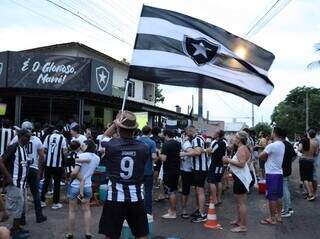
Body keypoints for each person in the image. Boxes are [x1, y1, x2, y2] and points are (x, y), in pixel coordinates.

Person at [99, 111, 149, 239]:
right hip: (135, 196)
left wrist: (114, 125)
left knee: (111, 234)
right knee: (141, 234)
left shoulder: (111, 145)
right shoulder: (143, 148)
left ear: (119, 129)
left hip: (115, 197)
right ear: (135, 130)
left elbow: (102, 139)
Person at [11, 121, 47, 223]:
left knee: (22, 193)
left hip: (22, 168)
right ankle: (39, 216)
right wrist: (39, 170)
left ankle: (22, 218)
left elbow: (10, 148)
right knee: (35, 193)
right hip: (33, 168)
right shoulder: (37, 140)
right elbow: (42, 156)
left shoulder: (17, 138)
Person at [65, 140, 100, 239]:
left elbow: (75, 172)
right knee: (87, 210)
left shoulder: (80, 156)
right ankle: (88, 233)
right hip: (88, 186)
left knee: (72, 211)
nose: (82, 146)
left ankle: (70, 233)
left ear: (87, 146)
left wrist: (70, 175)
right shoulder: (97, 158)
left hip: (75, 185)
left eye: (83, 144)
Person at [0, 129, 31, 239]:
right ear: (21, 136)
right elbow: (1, 161)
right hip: (14, 184)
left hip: (22, 184)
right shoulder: (13, 147)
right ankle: (12, 233)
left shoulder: (23, 148)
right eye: (27, 137)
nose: (29, 139)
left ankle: (16, 228)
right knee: (16, 208)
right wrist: (8, 177)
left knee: (21, 207)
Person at [223, 131, 252, 233]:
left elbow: (242, 164)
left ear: (240, 139)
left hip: (241, 179)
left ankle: (243, 226)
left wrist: (228, 160)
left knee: (241, 203)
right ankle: (239, 220)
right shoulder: (243, 148)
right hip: (239, 178)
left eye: (235, 137)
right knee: (238, 203)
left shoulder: (242, 148)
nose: (234, 139)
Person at [180, 126, 208, 223]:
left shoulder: (197, 139)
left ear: (191, 131)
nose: (187, 135)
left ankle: (202, 214)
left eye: (188, 133)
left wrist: (184, 154)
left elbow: (197, 152)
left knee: (200, 191)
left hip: (200, 169)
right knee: (198, 190)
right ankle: (199, 211)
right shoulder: (197, 139)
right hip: (198, 168)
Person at [259, 127, 285, 225]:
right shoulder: (282, 144)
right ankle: (279, 216)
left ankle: (272, 218)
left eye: (272, 131)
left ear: (275, 133)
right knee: (278, 196)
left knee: (271, 197)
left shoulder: (272, 145)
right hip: (279, 173)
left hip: (272, 174)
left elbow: (261, 155)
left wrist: (266, 157)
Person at [41, 124, 68, 209]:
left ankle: (42, 201)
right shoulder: (62, 138)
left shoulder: (48, 137)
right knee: (56, 183)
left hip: (48, 164)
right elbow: (64, 151)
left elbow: (44, 149)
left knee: (46, 181)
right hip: (57, 164)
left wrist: (49, 154)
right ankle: (55, 203)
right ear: (61, 130)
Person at [160, 129, 181, 219]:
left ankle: (173, 212)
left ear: (166, 135)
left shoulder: (166, 144)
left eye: (163, 134)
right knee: (173, 190)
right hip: (176, 169)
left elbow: (164, 159)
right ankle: (171, 210)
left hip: (169, 170)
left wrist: (159, 154)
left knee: (170, 192)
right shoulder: (177, 143)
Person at [138, 126, 157, 215]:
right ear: (150, 133)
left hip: (137, 170)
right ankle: (148, 212)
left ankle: (136, 210)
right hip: (148, 170)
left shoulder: (137, 140)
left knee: (136, 190)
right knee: (148, 191)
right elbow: (153, 157)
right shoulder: (152, 142)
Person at [206, 129, 227, 206]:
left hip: (215, 164)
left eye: (214, 132)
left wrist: (203, 150)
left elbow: (211, 151)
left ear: (218, 135)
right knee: (218, 181)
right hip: (220, 164)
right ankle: (218, 199)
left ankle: (214, 200)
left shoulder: (218, 143)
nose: (213, 133)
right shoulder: (224, 143)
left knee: (211, 181)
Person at [299, 130, 318, 201]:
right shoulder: (316, 143)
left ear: (308, 134)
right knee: (310, 178)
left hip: (304, 160)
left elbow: (300, 149)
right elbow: (316, 154)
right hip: (311, 161)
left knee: (304, 178)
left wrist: (303, 151)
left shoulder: (304, 141)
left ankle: (310, 194)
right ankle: (312, 193)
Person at [281, 130, 297, 218]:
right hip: (287, 169)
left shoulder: (281, 145)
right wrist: (289, 162)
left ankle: (286, 210)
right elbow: (295, 156)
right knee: (286, 188)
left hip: (282, 169)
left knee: (284, 189)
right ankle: (288, 207)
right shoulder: (288, 144)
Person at [180, 132, 193, 219]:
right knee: (186, 190)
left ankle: (196, 209)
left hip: (190, 168)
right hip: (187, 169)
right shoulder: (187, 143)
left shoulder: (190, 142)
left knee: (189, 190)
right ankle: (184, 210)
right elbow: (191, 152)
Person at [308, 129, 319, 197]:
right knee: (312, 177)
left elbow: (316, 153)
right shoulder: (316, 141)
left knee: (312, 177)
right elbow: (316, 153)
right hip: (313, 160)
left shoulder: (315, 141)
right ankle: (312, 192)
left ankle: (313, 193)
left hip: (312, 160)